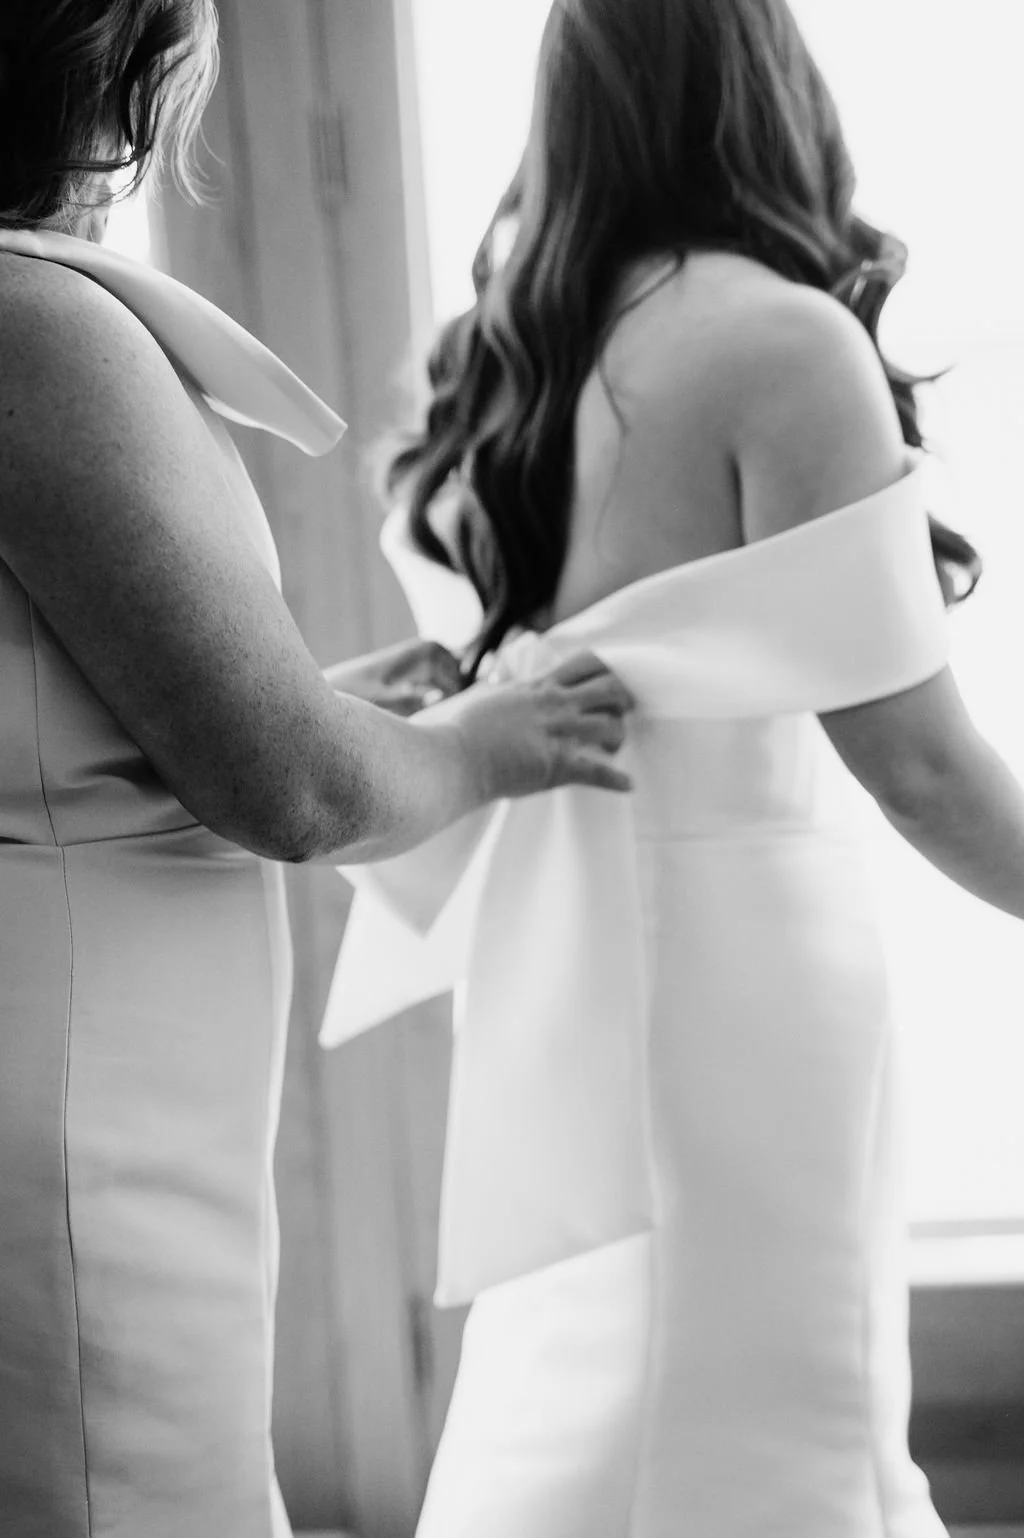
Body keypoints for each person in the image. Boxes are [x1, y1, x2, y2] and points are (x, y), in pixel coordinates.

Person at [322, 2, 1024, 1535]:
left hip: (559, 967)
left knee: (604, 1370)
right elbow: (922, 770)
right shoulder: (779, 341)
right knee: (766, 1401)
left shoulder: (498, 358)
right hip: (745, 972)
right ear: (764, 86)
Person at [0, 3, 636, 1534]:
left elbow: (70, 721)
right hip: (86, 1104)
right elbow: (295, 790)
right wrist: (482, 749)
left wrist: (323, 699)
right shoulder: (33, 326)